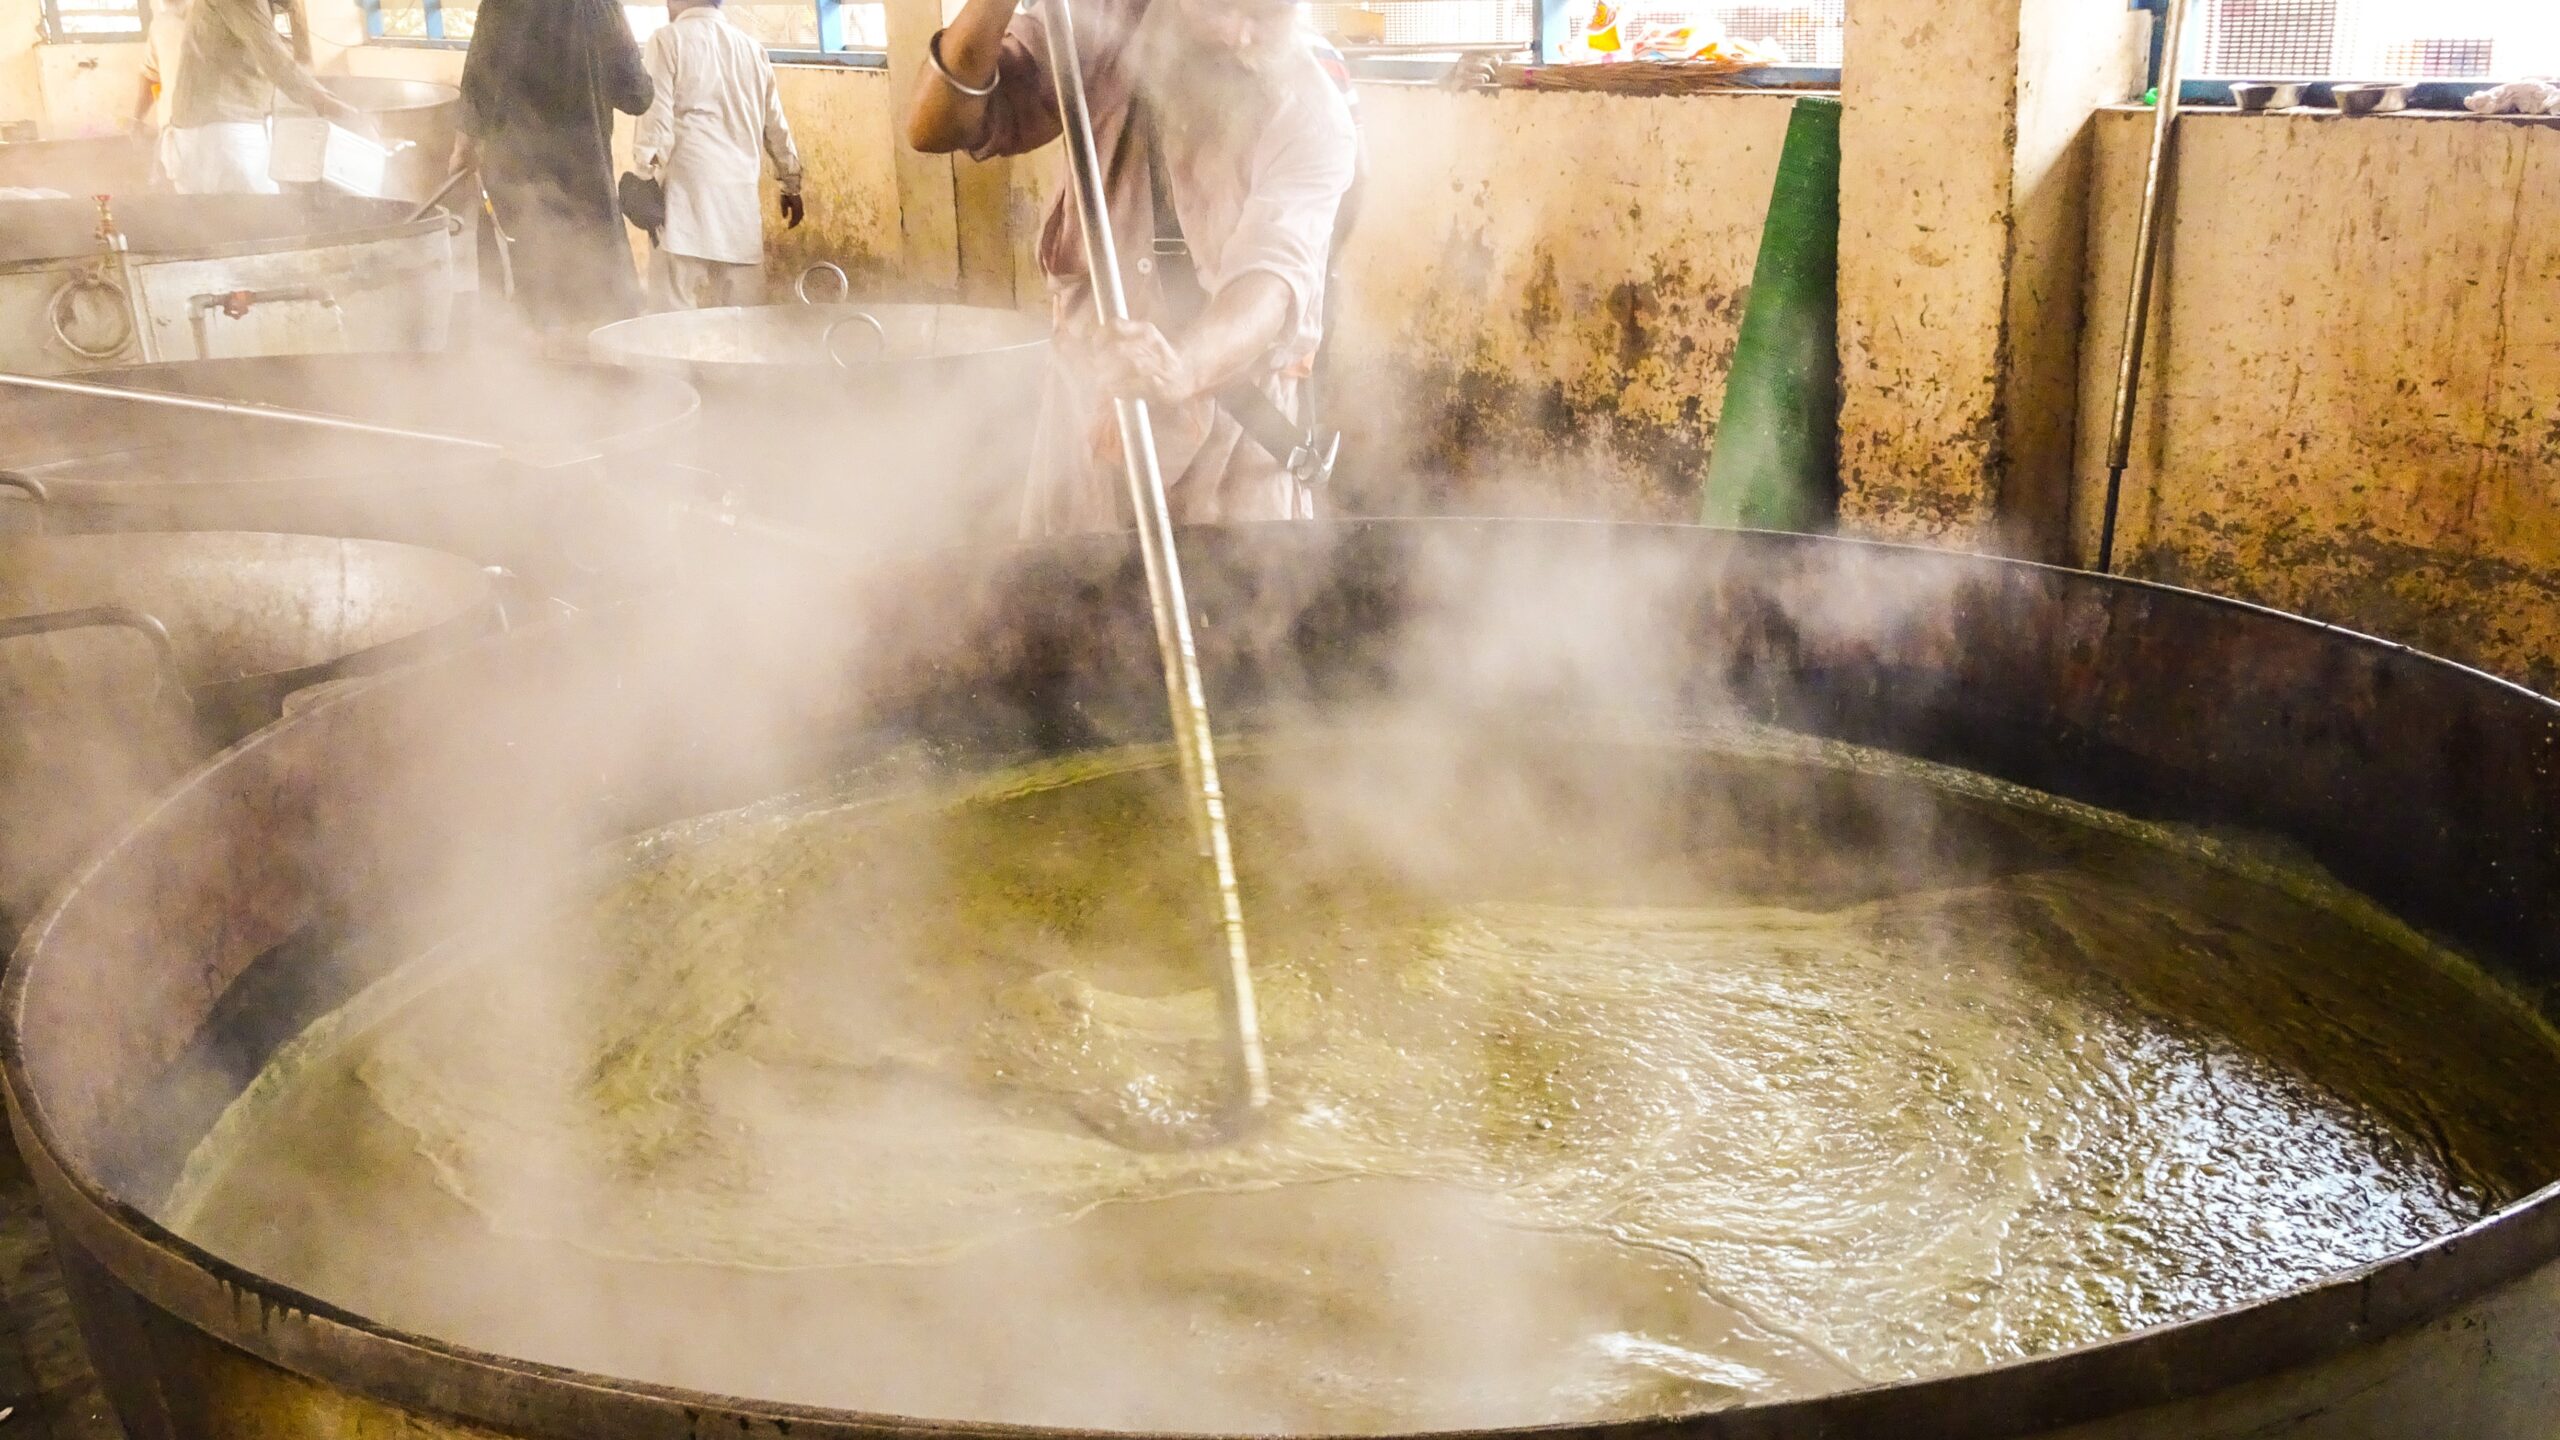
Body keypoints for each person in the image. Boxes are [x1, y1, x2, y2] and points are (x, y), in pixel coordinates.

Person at [905, 0, 1359, 536]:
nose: (1241, 36)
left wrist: (1182, 366)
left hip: (1236, 442)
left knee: (1240, 609)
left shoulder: (1307, 109)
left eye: (1267, 14)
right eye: (1223, 7)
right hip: (1091, 412)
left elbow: (1271, 283)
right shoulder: (1099, 43)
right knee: (1070, 605)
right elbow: (933, 127)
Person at [453, 0, 654, 342]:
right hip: (585, 190)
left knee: (524, 319)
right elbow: (636, 95)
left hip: (516, 190)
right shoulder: (599, 5)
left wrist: (461, 150)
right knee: (597, 315)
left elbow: (476, 89)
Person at [634, 0, 805, 312]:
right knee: (745, 321)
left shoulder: (667, 40)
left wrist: (644, 175)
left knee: (671, 319)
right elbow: (776, 127)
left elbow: (656, 121)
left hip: (684, 198)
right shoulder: (752, 50)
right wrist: (791, 184)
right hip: (738, 201)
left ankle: (674, 363)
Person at [165, 0, 370, 194]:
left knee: (229, 221)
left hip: (218, 129)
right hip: (220, 131)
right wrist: (334, 108)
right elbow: (276, 61)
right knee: (253, 219)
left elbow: (297, 59)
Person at [132, 0, 190, 186]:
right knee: (190, 200)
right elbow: (151, 74)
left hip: (223, 128)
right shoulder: (161, 24)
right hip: (176, 128)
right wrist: (137, 120)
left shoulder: (216, 12)